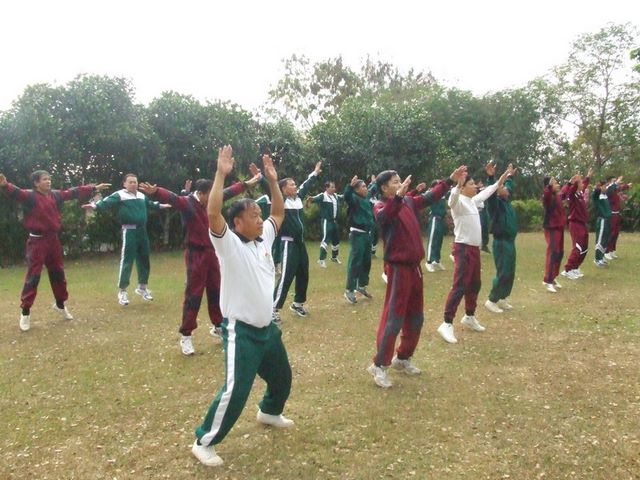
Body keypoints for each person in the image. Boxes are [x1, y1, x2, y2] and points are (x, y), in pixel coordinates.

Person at [192, 146, 292, 468]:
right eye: (253, 216)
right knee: (236, 391)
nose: (260, 220)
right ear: (237, 222)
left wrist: (273, 181)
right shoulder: (229, 244)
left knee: (283, 378)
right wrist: (220, 174)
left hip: (267, 330)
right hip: (242, 332)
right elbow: (213, 214)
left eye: (259, 216)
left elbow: (279, 214)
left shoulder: (264, 239)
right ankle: (204, 441)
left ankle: (270, 411)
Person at [139, 169, 261, 356]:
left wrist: (250, 182)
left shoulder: (211, 200)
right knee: (194, 294)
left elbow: (230, 191)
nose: (214, 200)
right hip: (195, 254)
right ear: (201, 193)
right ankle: (186, 335)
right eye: (210, 195)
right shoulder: (187, 203)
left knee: (216, 290)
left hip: (213, 253)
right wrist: (155, 192)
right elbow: (172, 198)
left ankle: (218, 326)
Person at [367, 165, 466, 388]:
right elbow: (384, 218)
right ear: (384, 188)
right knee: (394, 319)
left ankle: (403, 358)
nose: (400, 184)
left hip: (415, 269)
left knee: (416, 318)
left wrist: (449, 181)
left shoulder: (409, 202)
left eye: (400, 180)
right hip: (398, 270)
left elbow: (430, 197)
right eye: (395, 182)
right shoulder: (381, 206)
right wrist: (398, 197)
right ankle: (379, 365)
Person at [0, 171, 110, 331]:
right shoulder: (30, 196)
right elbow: (16, 193)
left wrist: (93, 188)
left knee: (58, 273)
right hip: (37, 242)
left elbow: (73, 192)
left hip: (53, 241)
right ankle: (25, 311)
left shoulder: (56, 195)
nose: (49, 182)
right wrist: (5, 185)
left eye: (49, 179)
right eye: (45, 179)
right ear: (36, 183)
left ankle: (60, 304)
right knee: (33, 276)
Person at [437, 164, 514, 344]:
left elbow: (490, 190)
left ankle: (469, 316)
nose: (475, 186)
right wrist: (457, 185)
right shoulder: (458, 202)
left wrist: (503, 176)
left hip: (474, 249)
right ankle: (446, 323)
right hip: (463, 248)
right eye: (471, 184)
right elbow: (451, 200)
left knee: (474, 284)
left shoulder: (473, 201)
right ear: (463, 187)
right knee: (460, 285)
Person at [83, 173, 170, 305]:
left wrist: (162, 205)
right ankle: (122, 291)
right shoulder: (120, 195)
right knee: (127, 260)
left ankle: (142, 287)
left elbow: (150, 204)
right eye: (130, 182)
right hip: (129, 231)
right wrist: (95, 206)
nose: (133, 184)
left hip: (142, 231)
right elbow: (106, 202)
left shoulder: (141, 195)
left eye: (135, 182)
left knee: (144, 259)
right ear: (124, 184)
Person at [272, 161, 322, 320]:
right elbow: (270, 187)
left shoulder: (298, 198)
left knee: (303, 274)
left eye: (295, 184)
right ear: (283, 189)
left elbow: (306, 184)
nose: (295, 186)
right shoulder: (281, 201)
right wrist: (263, 177)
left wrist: (315, 173)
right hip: (289, 243)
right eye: (291, 185)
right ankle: (272, 309)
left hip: (301, 244)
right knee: (286, 276)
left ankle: (297, 304)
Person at [483, 163, 518, 313]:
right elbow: (491, 192)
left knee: (510, 271)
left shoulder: (506, 201)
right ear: (497, 191)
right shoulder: (495, 204)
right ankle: (492, 300)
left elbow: (509, 186)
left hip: (510, 242)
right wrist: (491, 178)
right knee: (503, 271)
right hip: (501, 242)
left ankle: (503, 298)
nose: (506, 189)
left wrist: (509, 176)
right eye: (502, 187)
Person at [343, 175, 375, 304]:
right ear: (356, 189)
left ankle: (361, 286)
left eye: (366, 186)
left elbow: (374, 189)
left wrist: (375, 182)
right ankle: (349, 290)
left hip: (367, 235)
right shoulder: (354, 198)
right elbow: (346, 196)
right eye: (363, 186)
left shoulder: (365, 198)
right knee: (355, 262)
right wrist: (350, 186)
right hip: (357, 234)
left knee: (366, 261)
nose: (366, 188)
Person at [560, 170, 592, 279]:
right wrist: (573, 182)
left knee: (584, 248)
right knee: (577, 247)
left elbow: (584, 184)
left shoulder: (580, 193)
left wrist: (588, 177)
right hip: (575, 223)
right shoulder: (573, 194)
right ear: (577, 185)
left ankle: (575, 267)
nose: (583, 184)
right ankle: (568, 269)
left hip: (582, 224)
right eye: (581, 182)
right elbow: (568, 190)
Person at [541, 175, 566, 293]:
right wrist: (549, 187)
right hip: (551, 228)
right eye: (555, 183)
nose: (558, 185)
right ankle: (548, 280)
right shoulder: (547, 197)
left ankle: (553, 277)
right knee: (553, 253)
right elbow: (546, 195)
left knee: (559, 253)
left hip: (559, 227)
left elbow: (567, 192)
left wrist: (571, 184)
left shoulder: (557, 196)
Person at [310, 181, 343, 267]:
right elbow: (314, 199)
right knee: (326, 239)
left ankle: (334, 257)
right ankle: (321, 260)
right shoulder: (323, 196)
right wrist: (310, 199)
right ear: (327, 188)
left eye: (334, 187)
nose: (334, 189)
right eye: (332, 187)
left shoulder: (335, 196)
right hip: (326, 221)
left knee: (336, 240)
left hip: (334, 221)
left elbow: (343, 196)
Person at [421, 181, 448, 272]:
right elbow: (424, 197)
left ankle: (436, 260)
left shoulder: (443, 194)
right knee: (432, 240)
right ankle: (428, 262)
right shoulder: (432, 194)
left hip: (441, 219)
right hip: (434, 219)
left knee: (439, 241)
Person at [605, 176, 631, 260]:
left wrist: (627, 185)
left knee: (616, 233)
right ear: (609, 182)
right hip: (611, 214)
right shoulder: (608, 189)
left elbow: (620, 187)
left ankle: (612, 250)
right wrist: (616, 182)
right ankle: (606, 252)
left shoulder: (614, 189)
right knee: (611, 233)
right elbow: (610, 190)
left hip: (617, 214)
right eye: (613, 181)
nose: (616, 182)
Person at [592, 179, 616, 267]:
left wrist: (615, 183)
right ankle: (597, 259)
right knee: (600, 239)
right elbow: (595, 193)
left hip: (607, 220)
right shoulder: (597, 196)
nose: (606, 188)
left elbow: (611, 188)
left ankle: (601, 257)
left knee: (606, 239)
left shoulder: (605, 195)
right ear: (601, 187)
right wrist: (598, 188)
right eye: (604, 186)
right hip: (602, 220)